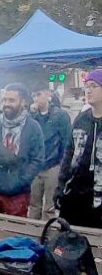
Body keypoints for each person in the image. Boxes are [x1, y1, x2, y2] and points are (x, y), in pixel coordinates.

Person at [0, 83, 45, 217]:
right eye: (5, 100)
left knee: (14, 236)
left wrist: (22, 181)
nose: (7, 103)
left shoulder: (33, 127)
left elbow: (38, 160)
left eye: (12, 100)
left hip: (18, 194)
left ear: (23, 102)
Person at [55, 69, 102, 229]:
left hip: (99, 196)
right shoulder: (82, 119)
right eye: (86, 86)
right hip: (75, 193)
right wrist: (61, 187)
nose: (88, 90)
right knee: (70, 242)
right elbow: (68, 155)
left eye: (94, 86)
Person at [28, 82, 72, 220]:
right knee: (33, 205)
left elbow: (67, 143)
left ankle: (48, 237)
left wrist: (63, 165)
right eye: (34, 95)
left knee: (50, 207)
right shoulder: (31, 117)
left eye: (39, 94)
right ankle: (32, 236)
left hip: (53, 165)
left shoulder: (60, 116)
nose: (36, 98)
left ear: (48, 94)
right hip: (35, 166)